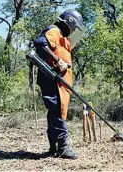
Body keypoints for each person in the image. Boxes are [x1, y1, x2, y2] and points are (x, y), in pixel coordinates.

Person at [33, 10, 86, 160]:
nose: (74, 31)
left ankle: (53, 147)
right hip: (52, 81)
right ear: (69, 22)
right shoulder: (54, 31)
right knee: (56, 112)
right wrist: (57, 60)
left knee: (55, 113)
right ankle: (62, 147)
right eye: (74, 27)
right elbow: (39, 43)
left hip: (60, 84)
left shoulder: (63, 38)